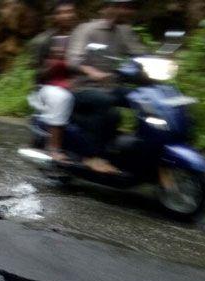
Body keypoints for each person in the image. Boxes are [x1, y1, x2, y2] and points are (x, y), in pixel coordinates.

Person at [67, 0, 145, 173]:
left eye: (129, 7)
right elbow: (74, 59)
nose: (126, 11)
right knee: (104, 101)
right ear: (107, 8)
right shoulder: (87, 29)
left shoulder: (124, 31)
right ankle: (92, 156)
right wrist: (92, 72)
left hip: (110, 86)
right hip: (83, 87)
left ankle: (139, 149)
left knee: (141, 98)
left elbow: (140, 55)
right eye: (120, 6)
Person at [29, 0, 78, 162]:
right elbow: (39, 74)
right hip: (51, 85)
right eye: (61, 12)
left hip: (80, 83)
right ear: (54, 17)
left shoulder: (82, 37)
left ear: (75, 14)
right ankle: (54, 147)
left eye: (69, 11)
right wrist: (53, 62)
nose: (66, 16)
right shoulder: (45, 40)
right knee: (61, 97)